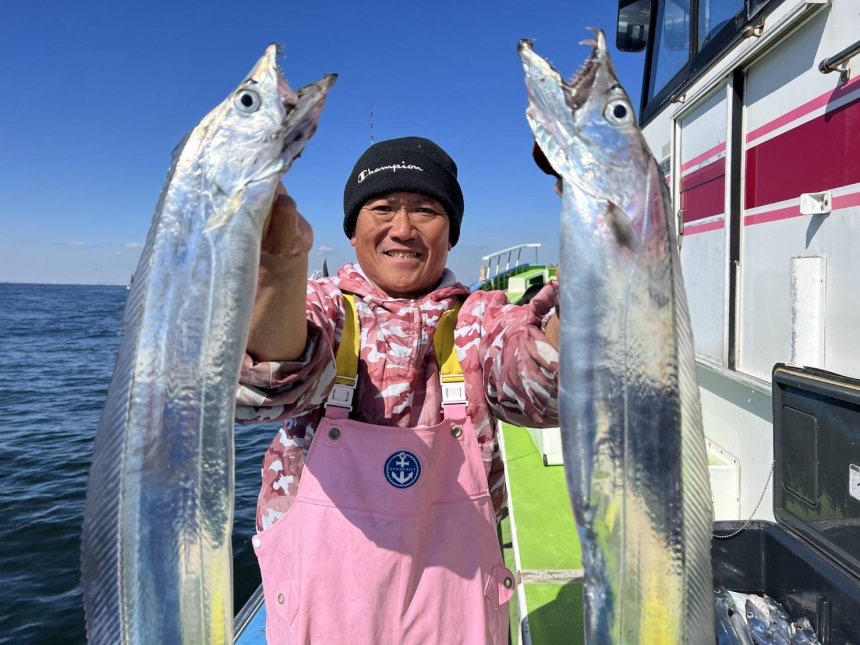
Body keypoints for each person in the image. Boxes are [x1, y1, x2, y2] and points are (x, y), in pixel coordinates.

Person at [236, 136, 560, 644]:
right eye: (383, 207)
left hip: (455, 610)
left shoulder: (482, 319)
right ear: (353, 229)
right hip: (321, 609)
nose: (403, 228)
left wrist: (599, 238)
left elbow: (546, 389)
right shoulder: (322, 309)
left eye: (426, 210)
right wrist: (279, 264)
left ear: (451, 232)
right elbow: (265, 387)